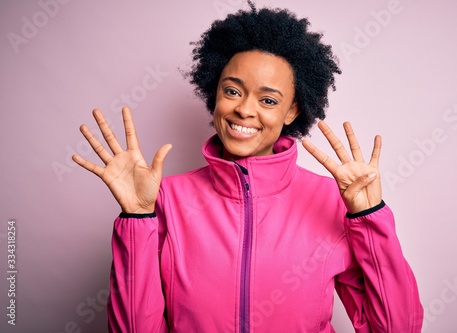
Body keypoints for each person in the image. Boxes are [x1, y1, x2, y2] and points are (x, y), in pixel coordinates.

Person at [73, 2, 423, 332]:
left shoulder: (331, 201)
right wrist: (136, 218)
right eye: (232, 91)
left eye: (268, 100)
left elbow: (397, 328)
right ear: (215, 94)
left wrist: (370, 216)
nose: (244, 110)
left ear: (292, 112)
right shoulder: (166, 199)